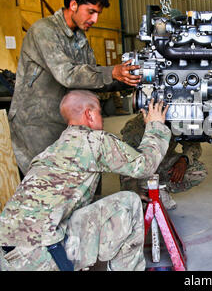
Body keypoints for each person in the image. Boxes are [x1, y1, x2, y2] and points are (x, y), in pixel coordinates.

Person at [0, 90, 171, 271]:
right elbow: (145, 166)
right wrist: (155, 126)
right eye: (99, 112)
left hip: (7, 256)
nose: (102, 118)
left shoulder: (52, 150)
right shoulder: (94, 141)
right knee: (129, 203)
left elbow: (73, 202)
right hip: (40, 257)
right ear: (89, 114)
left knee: (97, 205)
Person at [8, 0, 141, 175]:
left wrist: (127, 79)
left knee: (76, 179)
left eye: (98, 14)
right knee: (47, 183)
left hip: (66, 121)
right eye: (91, 12)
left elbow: (92, 79)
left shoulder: (80, 38)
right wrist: (111, 71)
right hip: (37, 124)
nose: (95, 19)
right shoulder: (44, 31)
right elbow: (67, 75)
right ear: (73, 5)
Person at [119, 112, 208, 210]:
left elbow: (194, 145)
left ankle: (162, 189)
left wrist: (184, 159)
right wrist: (133, 193)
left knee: (198, 171)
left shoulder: (175, 119)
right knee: (137, 209)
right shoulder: (134, 126)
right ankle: (145, 192)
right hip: (143, 167)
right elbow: (126, 162)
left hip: (165, 163)